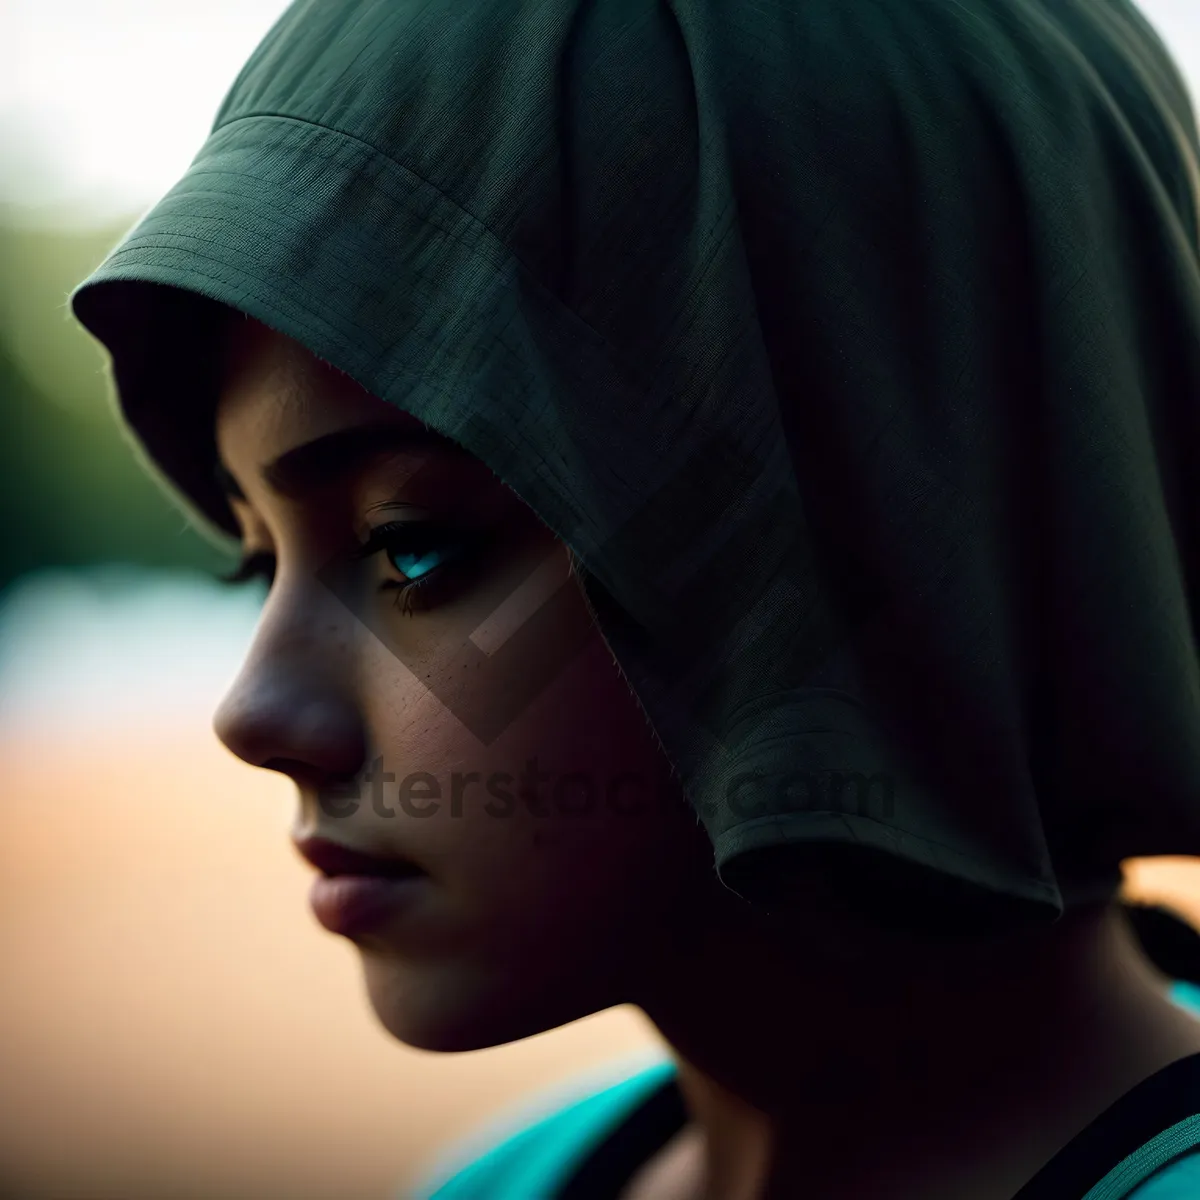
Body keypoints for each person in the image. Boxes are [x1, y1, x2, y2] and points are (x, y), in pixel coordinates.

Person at [67, 0, 1200, 1195]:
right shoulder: (501, 1181)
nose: (253, 714)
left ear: (876, 518)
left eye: (412, 549)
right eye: (256, 559)